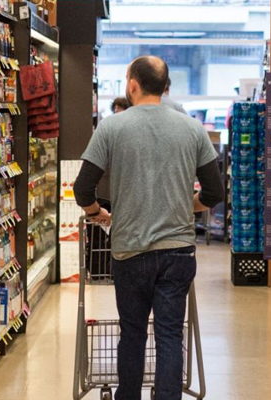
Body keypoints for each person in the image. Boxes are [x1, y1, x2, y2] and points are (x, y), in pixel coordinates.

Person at [73, 55, 225, 400]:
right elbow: (215, 193)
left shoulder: (112, 127)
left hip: (130, 251)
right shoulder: (192, 128)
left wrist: (98, 214)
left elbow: (83, 188)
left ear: (132, 85)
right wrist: (189, 206)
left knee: (133, 333)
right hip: (179, 253)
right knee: (171, 334)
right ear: (165, 85)